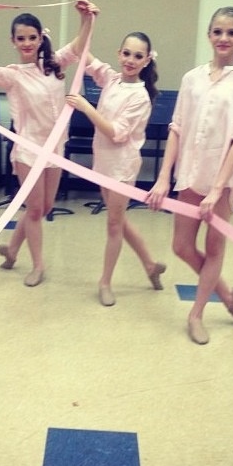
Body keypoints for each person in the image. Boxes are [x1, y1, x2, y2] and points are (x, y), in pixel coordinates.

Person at [0, 0, 94, 287]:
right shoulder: (12, 74)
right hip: (27, 151)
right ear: (13, 41)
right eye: (21, 38)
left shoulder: (55, 64)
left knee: (45, 206)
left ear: (41, 38)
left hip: (55, 149)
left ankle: (12, 249)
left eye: (32, 37)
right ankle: (38, 265)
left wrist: (85, 18)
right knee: (36, 210)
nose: (27, 43)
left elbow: (79, 45)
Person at [146, 6, 233, 344]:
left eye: (231, 32)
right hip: (190, 173)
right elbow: (177, 128)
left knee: (214, 248)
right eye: (218, 31)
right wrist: (164, 177)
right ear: (209, 35)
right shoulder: (191, 78)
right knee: (181, 245)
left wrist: (217, 189)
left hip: (222, 181)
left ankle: (196, 313)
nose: (223, 38)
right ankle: (228, 297)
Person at [65, 17, 166, 306]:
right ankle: (150, 264)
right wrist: (86, 19)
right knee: (118, 218)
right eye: (126, 53)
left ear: (147, 60)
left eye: (137, 56)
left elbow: (117, 133)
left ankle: (106, 281)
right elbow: (82, 52)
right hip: (103, 163)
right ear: (118, 54)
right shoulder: (110, 78)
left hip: (122, 167)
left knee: (112, 224)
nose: (130, 60)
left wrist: (86, 107)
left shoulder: (141, 97)